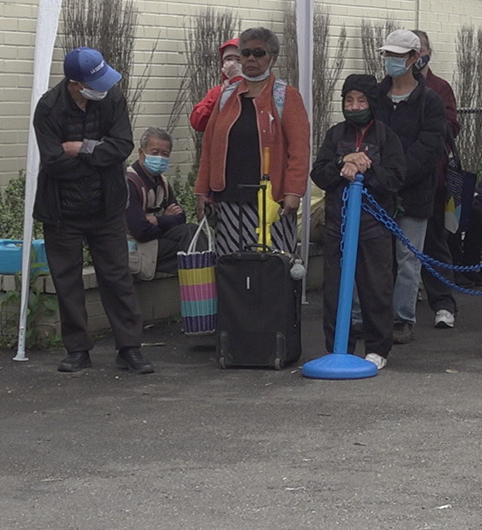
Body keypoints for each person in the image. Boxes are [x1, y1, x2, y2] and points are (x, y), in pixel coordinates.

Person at [34, 47, 152, 374]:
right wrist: (98, 160)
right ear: (75, 83)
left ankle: (130, 348)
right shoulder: (48, 108)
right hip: (61, 211)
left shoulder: (112, 99)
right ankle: (77, 350)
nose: (102, 87)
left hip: (107, 207)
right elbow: (53, 162)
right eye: (94, 82)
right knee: (67, 282)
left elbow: (122, 147)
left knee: (117, 277)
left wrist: (83, 148)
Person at [310, 74, 406, 370]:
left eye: (361, 100)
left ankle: (378, 349)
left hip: (374, 225)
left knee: (376, 288)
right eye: (349, 100)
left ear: (372, 102)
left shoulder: (386, 136)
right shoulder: (335, 134)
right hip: (337, 224)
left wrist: (367, 166)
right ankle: (338, 346)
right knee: (335, 290)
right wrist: (343, 162)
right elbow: (319, 173)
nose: (354, 106)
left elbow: (395, 178)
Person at [195, 26, 310, 255]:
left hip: (270, 202)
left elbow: (299, 149)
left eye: (259, 53)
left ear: (273, 59)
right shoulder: (226, 96)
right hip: (228, 200)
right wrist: (201, 191)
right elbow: (209, 147)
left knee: (270, 269)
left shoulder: (285, 95)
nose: (250, 59)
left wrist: (293, 192)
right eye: (245, 53)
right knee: (231, 269)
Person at [372, 29, 448, 345]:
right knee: (376, 257)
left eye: (398, 55)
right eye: (388, 55)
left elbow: (430, 147)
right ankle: (373, 316)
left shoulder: (430, 100)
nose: (391, 61)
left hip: (414, 191)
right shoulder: (374, 97)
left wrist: (396, 174)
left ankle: (402, 318)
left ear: (415, 58)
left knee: (408, 258)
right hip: (377, 192)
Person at [412, 29, 462, 327]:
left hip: (433, 176)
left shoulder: (440, 88)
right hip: (397, 177)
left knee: (434, 240)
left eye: (419, 50)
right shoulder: (388, 89)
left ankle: (443, 303)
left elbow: (451, 126)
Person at [125, 127, 197, 280]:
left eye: (165, 154)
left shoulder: (163, 182)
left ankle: (197, 281)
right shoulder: (130, 183)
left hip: (156, 239)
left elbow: (181, 218)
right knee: (189, 248)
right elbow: (140, 231)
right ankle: (200, 287)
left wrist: (158, 220)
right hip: (137, 245)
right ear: (141, 152)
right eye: (154, 152)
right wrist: (167, 221)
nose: (160, 158)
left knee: (191, 232)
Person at [189, 38, 242, 132]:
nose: (233, 64)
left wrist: (237, 81)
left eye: (239, 60)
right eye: (228, 59)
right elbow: (198, 122)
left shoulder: (257, 89)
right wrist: (220, 97)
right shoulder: (216, 92)